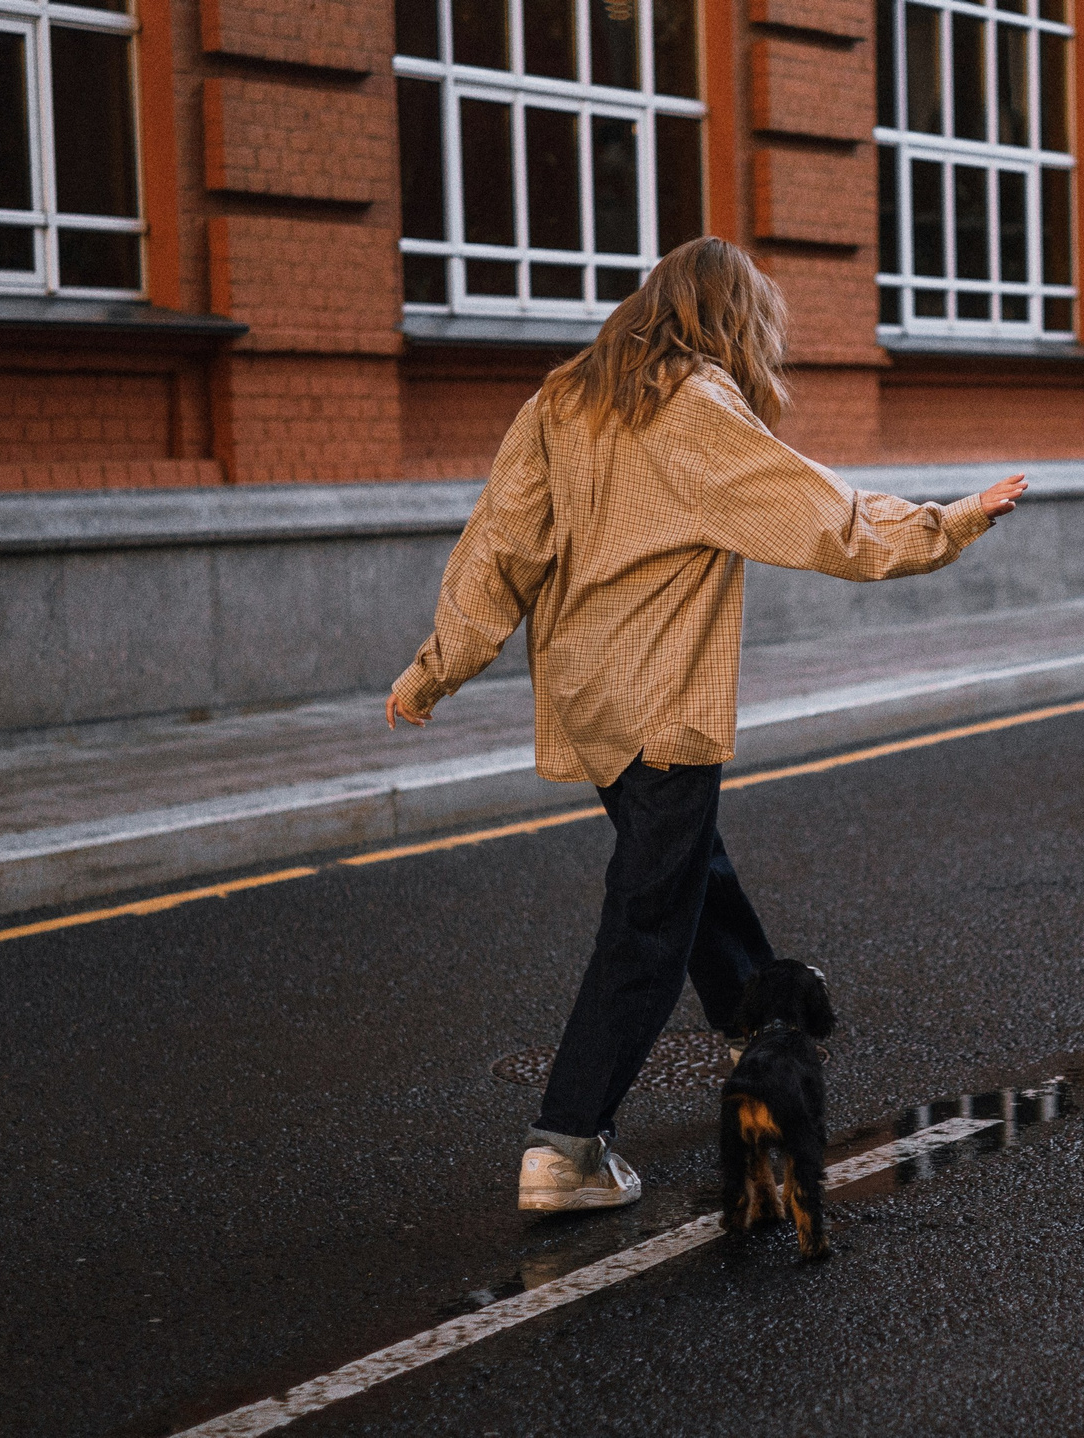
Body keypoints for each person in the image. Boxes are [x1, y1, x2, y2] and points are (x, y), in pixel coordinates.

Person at [386, 237, 1026, 1213]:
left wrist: (436, 669)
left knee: (683, 857)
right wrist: (954, 520)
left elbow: (496, 549)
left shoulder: (561, 396)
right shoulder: (691, 407)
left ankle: (750, 1013)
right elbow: (824, 515)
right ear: (727, 319)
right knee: (647, 914)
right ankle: (567, 1143)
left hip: (587, 698)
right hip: (657, 698)